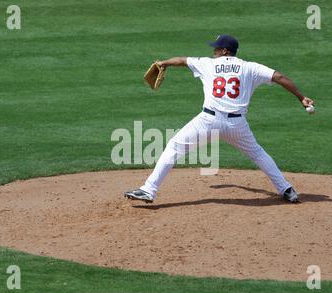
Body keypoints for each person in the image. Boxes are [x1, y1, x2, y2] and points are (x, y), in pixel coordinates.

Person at [125, 35, 314, 203]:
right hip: (237, 125)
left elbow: (182, 60)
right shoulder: (250, 67)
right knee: (257, 154)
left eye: (216, 48)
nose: (213, 51)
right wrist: (301, 97)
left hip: (208, 121)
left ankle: (148, 190)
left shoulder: (208, 63)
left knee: (174, 147)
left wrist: (164, 63)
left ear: (224, 51)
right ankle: (287, 190)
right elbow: (279, 76)